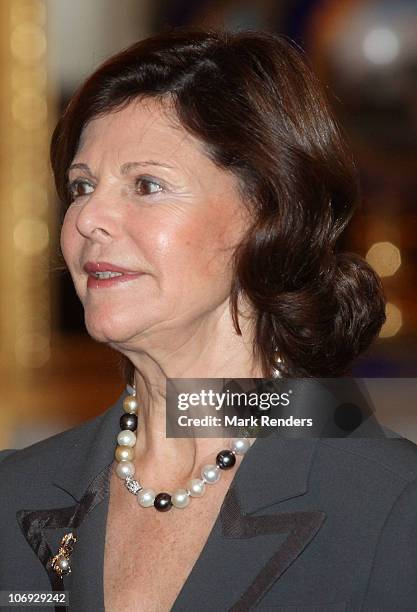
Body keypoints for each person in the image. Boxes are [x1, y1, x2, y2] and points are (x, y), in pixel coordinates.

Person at [1, 27, 417, 612]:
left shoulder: (393, 505)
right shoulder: (13, 492)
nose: (88, 217)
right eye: (81, 185)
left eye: (146, 185)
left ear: (267, 213)